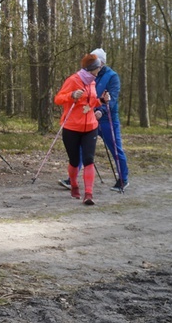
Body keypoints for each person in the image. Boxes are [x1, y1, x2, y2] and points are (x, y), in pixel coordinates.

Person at [57, 48, 128, 191]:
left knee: (115, 148)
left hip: (107, 119)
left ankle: (123, 179)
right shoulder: (88, 75)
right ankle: (73, 179)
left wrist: (101, 111)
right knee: (83, 150)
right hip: (88, 118)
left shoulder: (112, 76)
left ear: (101, 62)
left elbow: (111, 98)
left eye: (96, 61)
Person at [53, 52, 110, 206]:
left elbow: (91, 103)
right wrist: (71, 95)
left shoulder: (92, 82)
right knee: (74, 160)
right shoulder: (73, 80)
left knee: (89, 160)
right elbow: (58, 99)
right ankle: (74, 185)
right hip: (71, 127)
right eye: (98, 67)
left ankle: (89, 194)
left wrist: (101, 101)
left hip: (90, 127)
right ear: (92, 69)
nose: (100, 70)